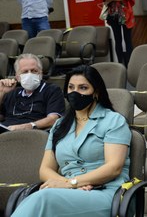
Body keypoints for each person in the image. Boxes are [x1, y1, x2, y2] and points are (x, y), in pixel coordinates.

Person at [11, 65, 132, 216]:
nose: (75, 92)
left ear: (96, 92)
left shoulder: (114, 121)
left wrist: (72, 183)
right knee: (37, 198)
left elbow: (114, 167)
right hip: (68, 192)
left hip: (107, 193)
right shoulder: (59, 125)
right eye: (71, 87)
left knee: (43, 198)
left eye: (83, 88)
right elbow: (45, 169)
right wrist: (66, 185)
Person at [0, 53, 65, 131]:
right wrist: (1, 93)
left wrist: (29, 126)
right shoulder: (12, 92)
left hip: (33, 135)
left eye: (34, 71)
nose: (29, 74)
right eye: (25, 72)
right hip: (5, 131)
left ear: (41, 73)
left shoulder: (52, 90)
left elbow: (53, 119)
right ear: (17, 77)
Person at [102, 0, 135, 67]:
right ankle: (120, 64)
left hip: (126, 15)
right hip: (113, 15)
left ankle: (130, 64)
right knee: (118, 39)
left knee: (127, 40)